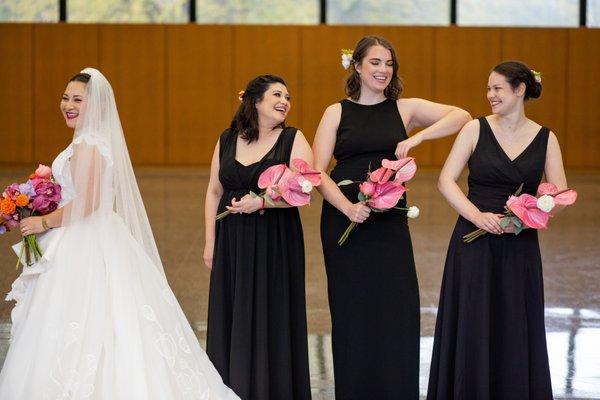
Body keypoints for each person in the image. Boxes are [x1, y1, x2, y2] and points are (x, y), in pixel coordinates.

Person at [0, 68, 239, 400]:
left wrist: (43, 222)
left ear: (95, 105)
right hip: (82, 236)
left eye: (77, 100)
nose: (68, 105)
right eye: (65, 97)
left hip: (84, 239)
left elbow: (89, 203)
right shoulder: (88, 141)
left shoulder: (89, 144)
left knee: (92, 315)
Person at [312, 35, 471, 399]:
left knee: (396, 306)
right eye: (375, 63)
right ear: (357, 66)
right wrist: (349, 207)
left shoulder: (405, 109)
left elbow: (461, 115)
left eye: (389, 64)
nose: (383, 70)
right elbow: (318, 172)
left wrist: (417, 139)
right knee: (353, 307)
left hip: (389, 221)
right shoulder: (336, 112)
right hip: (345, 221)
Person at [427, 61, 563, 399]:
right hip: (473, 243)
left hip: (520, 244)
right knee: (473, 320)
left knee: (515, 322)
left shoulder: (546, 137)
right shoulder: (474, 129)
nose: (490, 95)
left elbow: (558, 192)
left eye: (497, 88)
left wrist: (523, 219)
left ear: (519, 90)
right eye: (488, 89)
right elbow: (446, 180)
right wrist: (477, 216)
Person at [204, 75, 312, 400]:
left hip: (275, 240)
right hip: (231, 239)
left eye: (288, 97)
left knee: (272, 312)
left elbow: (305, 187)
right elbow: (213, 191)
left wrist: (263, 201)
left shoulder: (293, 138)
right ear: (255, 101)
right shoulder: (226, 139)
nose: (285, 101)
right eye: (277, 94)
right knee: (232, 311)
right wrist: (210, 241)